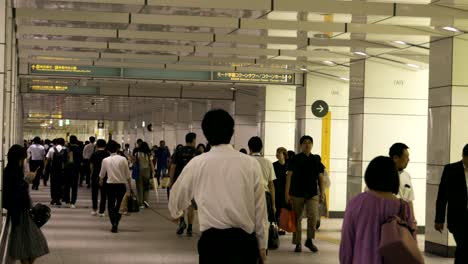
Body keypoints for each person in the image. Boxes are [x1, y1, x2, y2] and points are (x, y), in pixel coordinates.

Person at [169, 109, 267, 264]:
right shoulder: (251, 164)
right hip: (244, 243)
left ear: (205, 134)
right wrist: (262, 245)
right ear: (232, 132)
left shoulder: (197, 163)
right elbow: (260, 209)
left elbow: (176, 197)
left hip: (212, 243)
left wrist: (176, 213)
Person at [340, 156, 415, 264]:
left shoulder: (356, 203)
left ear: (370, 175)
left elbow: (347, 243)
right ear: (394, 177)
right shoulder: (403, 207)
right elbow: (411, 243)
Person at [3, 145, 49, 264]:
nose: (23, 162)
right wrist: (27, 180)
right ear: (18, 159)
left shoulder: (10, 171)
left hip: (20, 211)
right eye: (23, 159)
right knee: (36, 243)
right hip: (20, 212)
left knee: (26, 246)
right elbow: (16, 192)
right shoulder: (12, 172)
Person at [285, 135, 325, 252]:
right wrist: (286, 193)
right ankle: (297, 243)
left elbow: (321, 177)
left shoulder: (316, 160)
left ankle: (309, 240)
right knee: (297, 218)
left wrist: (322, 192)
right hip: (297, 193)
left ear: (312, 145)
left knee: (313, 217)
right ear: (301, 145)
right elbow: (289, 176)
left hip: (312, 193)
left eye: (309, 143)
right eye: (305, 143)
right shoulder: (295, 159)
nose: (307, 145)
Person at [435, 144, 468, 264]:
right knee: (464, 245)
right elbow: (442, 196)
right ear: (464, 156)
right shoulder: (451, 170)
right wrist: (439, 219)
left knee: (463, 248)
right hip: (457, 219)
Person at [248, 136, 276, 249]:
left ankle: (251, 246)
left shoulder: (246, 161)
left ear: (249, 148)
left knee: (250, 221)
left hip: (249, 195)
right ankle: (263, 248)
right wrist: (273, 204)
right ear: (261, 148)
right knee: (264, 223)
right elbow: (271, 185)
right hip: (265, 195)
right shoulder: (268, 163)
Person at [99, 140, 133, 233]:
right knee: (120, 205)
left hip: (110, 185)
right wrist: (130, 187)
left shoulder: (105, 160)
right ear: (118, 148)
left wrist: (101, 182)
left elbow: (102, 175)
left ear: (108, 150)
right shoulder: (123, 159)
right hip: (121, 185)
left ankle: (113, 222)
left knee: (110, 204)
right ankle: (116, 222)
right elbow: (128, 175)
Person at [169, 132, 199, 236]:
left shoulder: (179, 151)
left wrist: (171, 181)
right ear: (193, 140)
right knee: (191, 205)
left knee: (180, 202)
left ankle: (182, 222)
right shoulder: (197, 152)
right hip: (193, 183)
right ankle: (190, 228)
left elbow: (173, 166)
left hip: (180, 181)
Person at [389, 143, 416, 224]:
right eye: (406, 157)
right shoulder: (383, 175)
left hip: (403, 222)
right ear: (395, 158)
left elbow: (409, 201)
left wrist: (413, 221)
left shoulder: (406, 176)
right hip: (389, 221)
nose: (408, 159)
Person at [44, 138, 67, 206]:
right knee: (61, 183)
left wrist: (45, 168)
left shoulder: (51, 149)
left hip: (54, 169)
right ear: (63, 143)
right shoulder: (66, 149)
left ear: (56, 143)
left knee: (53, 184)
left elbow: (48, 159)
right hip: (63, 170)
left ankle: (54, 198)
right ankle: (59, 198)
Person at [89, 139, 109, 216]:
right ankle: (102, 211)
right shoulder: (107, 154)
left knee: (94, 193)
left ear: (97, 145)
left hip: (95, 175)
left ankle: (94, 209)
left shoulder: (94, 154)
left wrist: (91, 174)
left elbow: (91, 165)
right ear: (105, 145)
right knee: (103, 194)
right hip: (105, 176)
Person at [63, 135, 83, 208]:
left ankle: (67, 201)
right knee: (74, 186)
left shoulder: (66, 149)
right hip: (75, 170)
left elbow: (64, 160)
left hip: (67, 169)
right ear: (76, 140)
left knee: (67, 185)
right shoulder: (79, 149)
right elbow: (81, 160)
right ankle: (73, 202)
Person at [135, 142, 155, 209]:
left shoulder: (137, 154)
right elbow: (151, 164)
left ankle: (140, 203)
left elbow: (134, 163)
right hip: (147, 172)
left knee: (139, 187)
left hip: (139, 172)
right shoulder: (149, 154)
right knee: (146, 187)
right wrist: (153, 171)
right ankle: (145, 201)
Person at [273, 147, 288, 235]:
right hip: (276, 190)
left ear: (284, 155)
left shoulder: (288, 165)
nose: (277, 154)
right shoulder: (274, 165)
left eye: (279, 152)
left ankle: (283, 227)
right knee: (277, 209)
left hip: (285, 190)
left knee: (284, 209)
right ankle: (278, 227)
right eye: (277, 152)